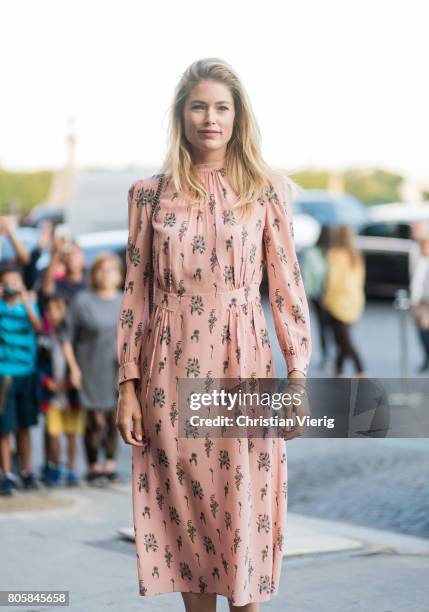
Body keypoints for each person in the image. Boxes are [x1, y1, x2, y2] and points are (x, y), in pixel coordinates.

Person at [115, 58, 312, 611]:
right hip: (168, 370)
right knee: (186, 518)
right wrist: (127, 384)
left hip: (243, 364)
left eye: (221, 107)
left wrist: (297, 379)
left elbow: (287, 289)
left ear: (237, 117)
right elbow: (135, 293)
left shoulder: (266, 191)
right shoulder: (148, 194)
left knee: (243, 512)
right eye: (199, 106)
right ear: (181, 116)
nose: (210, 118)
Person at [66, 252, 123, 486]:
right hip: (89, 366)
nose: (105, 274)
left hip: (116, 368)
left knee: (113, 418)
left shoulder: (125, 299)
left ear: (119, 275)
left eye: (110, 269)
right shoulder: (82, 300)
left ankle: (109, 465)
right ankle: (92, 466)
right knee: (94, 420)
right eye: (101, 269)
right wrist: (73, 369)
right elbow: (67, 337)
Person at [0, 262, 43, 496]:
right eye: (7, 283)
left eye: (16, 283)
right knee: (5, 427)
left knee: (25, 426)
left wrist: (26, 300)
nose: (12, 288)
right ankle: (7, 474)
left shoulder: (29, 305)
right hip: (4, 374)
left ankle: (26, 470)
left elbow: (38, 328)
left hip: (26, 372)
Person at [37, 293, 83, 486]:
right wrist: (45, 380)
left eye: (59, 309)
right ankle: (55, 464)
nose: (54, 314)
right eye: (51, 310)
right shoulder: (45, 337)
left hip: (71, 394)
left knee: (71, 433)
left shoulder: (75, 338)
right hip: (52, 394)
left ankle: (72, 469)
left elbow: (81, 362)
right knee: (53, 432)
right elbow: (38, 363)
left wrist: (69, 381)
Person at [322, 225, 366, 377]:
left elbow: (333, 281)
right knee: (342, 337)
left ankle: (360, 369)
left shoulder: (335, 255)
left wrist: (326, 299)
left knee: (343, 339)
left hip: (338, 302)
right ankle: (338, 369)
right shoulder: (355, 255)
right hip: (354, 301)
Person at [301, 224, 331, 368]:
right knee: (324, 326)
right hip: (320, 296)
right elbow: (308, 275)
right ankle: (327, 356)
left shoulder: (329, 253)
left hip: (327, 295)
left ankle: (331, 357)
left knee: (328, 327)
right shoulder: (315, 253)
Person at [409, 236, 429, 372]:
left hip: (424, 302)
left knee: (424, 330)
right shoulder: (422, 260)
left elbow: (417, 281)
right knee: (423, 330)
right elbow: (417, 282)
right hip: (423, 302)